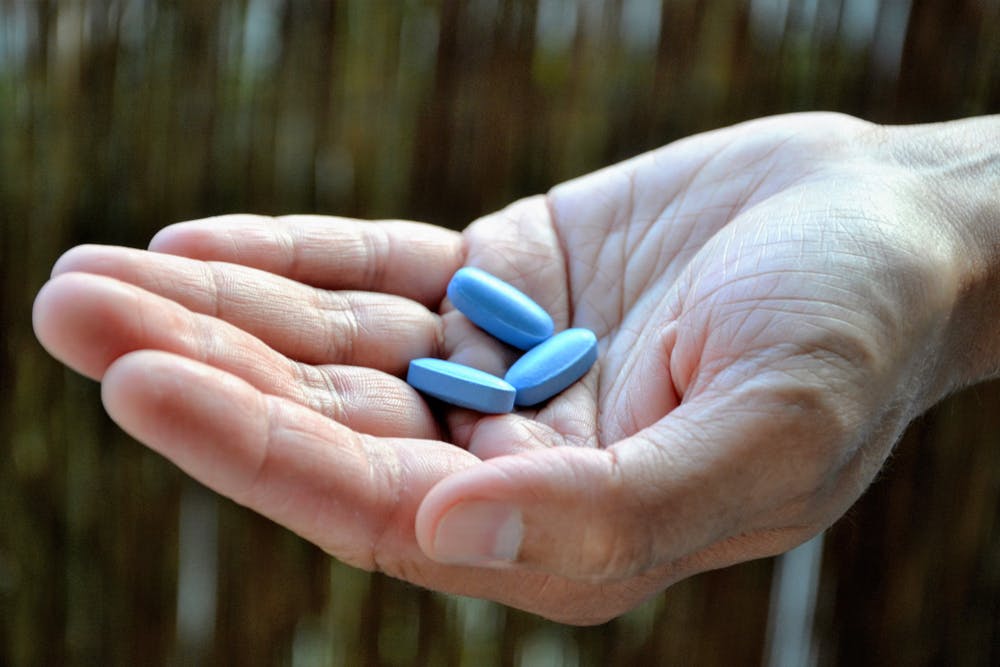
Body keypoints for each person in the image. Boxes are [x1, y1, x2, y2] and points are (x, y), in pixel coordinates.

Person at [32, 112, 999, 625]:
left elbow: (514, 375)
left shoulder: (535, 351)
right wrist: (935, 207)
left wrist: (934, 218)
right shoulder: (518, 350)